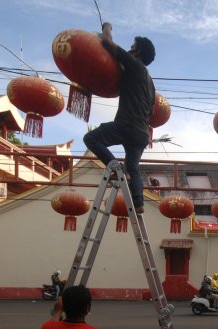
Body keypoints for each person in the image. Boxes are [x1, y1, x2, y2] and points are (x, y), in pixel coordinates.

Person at [83, 22, 156, 214]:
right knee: (133, 168)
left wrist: (107, 27)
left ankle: (116, 169)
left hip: (127, 124)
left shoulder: (134, 65)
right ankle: (139, 204)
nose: (129, 50)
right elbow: (152, 110)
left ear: (138, 52)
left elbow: (107, 42)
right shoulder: (150, 82)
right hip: (142, 133)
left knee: (91, 138)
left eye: (132, 47)